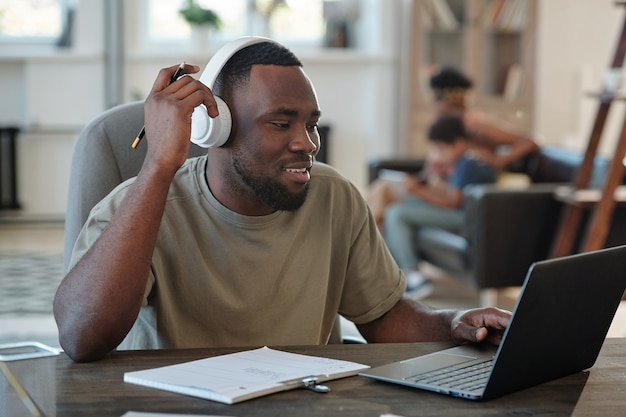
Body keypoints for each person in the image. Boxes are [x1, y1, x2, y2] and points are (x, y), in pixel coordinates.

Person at [53, 38, 510, 363]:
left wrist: (453, 324)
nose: (307, 143)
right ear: (217, 127)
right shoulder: (137, 207)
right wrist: (156, 166)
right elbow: (81, 338)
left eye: (310, 124)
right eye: (281, 123)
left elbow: (384, 318)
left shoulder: (335, 198)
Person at [366, 66, 539, 230]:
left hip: (452, 191)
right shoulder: (443, 127)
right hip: (437, 185)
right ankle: (370, 250)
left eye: (437, 100)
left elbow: (529, 142)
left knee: (384, 191)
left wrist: (499, 161)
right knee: (383, 189)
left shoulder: (477, 127)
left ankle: (363, 250)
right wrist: (425, 175)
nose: (435, 106)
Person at [383, 114, 497, 284]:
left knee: (396, 213)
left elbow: (453, 203)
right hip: (462, 213)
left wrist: (418, 191)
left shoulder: (467, 163)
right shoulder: (463, 162)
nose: (439, 153)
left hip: (463, 217)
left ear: (458, 143)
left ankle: (410, 272)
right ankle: (390, 268)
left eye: (441, 148)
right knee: (393, 204)